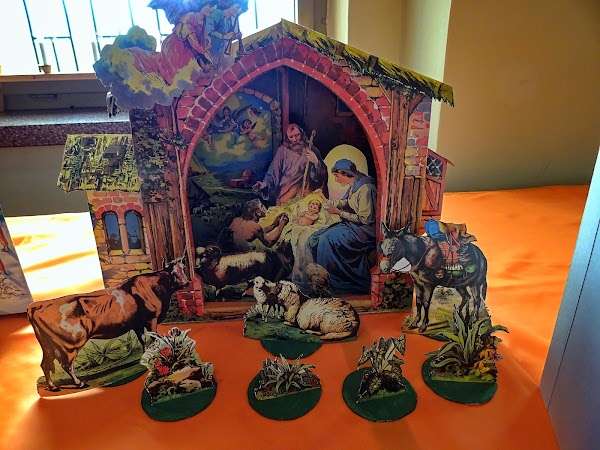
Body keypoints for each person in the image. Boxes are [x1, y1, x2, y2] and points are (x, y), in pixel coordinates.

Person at [308, 159, 376, 294]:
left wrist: (338, 212)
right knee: (315, 237)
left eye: (337, 176)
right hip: (353, 225)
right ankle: (322, 278)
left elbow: (365, 219)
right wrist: (332, 203)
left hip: (364, 231)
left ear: (345, 173)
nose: (336, 179)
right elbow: (347, 202)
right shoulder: (354, 184)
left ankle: (335, 281)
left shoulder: (366, 189)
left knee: (326, 240)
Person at [253, 124, 328, 206]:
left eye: (297, 135)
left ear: (302, 134)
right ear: (287, 137)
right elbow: (273, 172)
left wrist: (316, 162)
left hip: (305, 193)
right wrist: (264, 184)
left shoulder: (311, 149)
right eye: (291, 137)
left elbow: (322, 176)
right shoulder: (282, 151)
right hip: (286, 193)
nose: (294, 139)